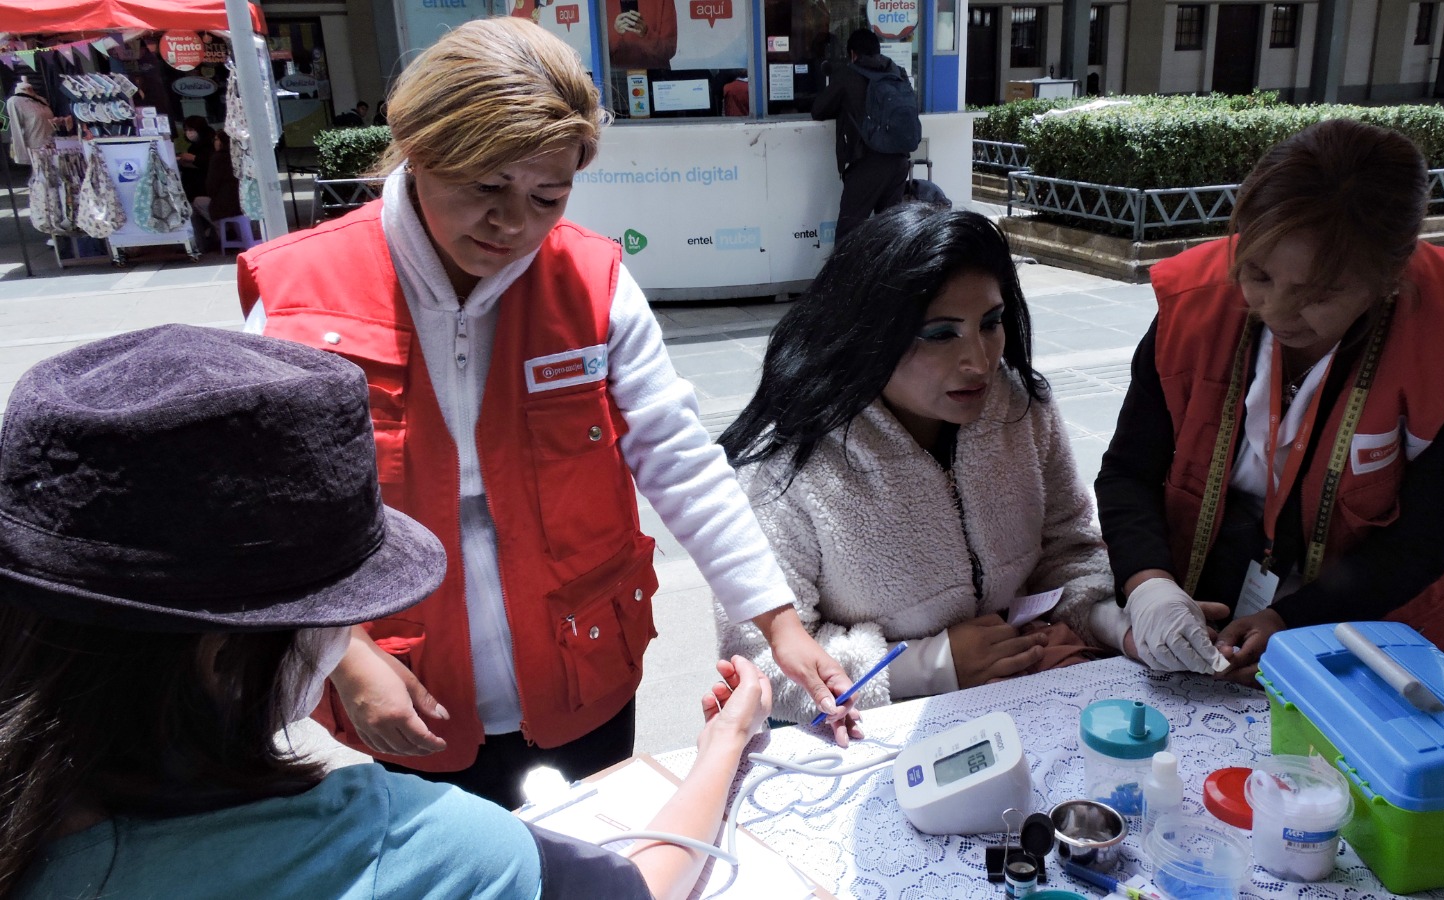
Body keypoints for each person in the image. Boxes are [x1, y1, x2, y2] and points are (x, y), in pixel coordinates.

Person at [236, 17, 856, 809]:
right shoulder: (302, 297)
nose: (513, 225)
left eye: (546, 196)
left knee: (595, 854)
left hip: (582, 668)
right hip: (402, 685)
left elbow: (678, 458)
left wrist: (778, 621)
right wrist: (342, 656)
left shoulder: (590, 283)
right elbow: (269, 517)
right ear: (417, 148)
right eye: (485, 188)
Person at [0, 323, 775, 900]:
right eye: (343, 616)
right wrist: (725, 742)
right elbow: (646, 884)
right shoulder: (403, 845)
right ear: (227, 657)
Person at [1094, 118, 1444, 684]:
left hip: (1366, 614)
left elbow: (1427, 535)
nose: (1277, 311)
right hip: (1201, 584)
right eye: (1258, 273)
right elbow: (1129, 470)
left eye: (1319, 293)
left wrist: (1293, 619)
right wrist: (1149, 587)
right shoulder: (1193, 308)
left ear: (1390, 277)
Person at [717, 206, 1120, 723]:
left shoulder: (1022, 408)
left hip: (1022, 707)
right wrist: (931, 666)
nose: (979, 359)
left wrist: (1111, 620)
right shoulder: (788, 463)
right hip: (867, 740)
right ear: (871, 332)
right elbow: (755, 659)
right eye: (940, 333)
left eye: (991, 323)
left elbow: (1070, 547)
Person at [811, 28, 912, 239]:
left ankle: (844, 274)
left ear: (852, 54)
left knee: (848, 235)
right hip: (900, 161)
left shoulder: (849, 75)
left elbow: (818, 110)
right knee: (889, 235)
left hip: (868, 161)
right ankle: (887, 273)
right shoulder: (898, 72)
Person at [192, 131, 243, 245]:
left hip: (226, 204)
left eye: (216, 139)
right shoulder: (239, 155)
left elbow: (211, 185)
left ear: (222, 142)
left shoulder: (218, 158)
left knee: (197, 202)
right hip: (242, 200)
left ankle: (223, 231)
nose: (214, 142)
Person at [607, 0, 678, 69]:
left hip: (655, 74)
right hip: (614, 76)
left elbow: (669, 50)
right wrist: (616, 34)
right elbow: (598, 55)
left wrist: (646, 34)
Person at [6, 78, 58, 166]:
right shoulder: (14, 102)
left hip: (54, 146)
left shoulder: (41, 100)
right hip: (36, 149)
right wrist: (21, 156)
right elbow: (16, 130)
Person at [176, 115, 215, 201]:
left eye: (191, 130)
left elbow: (209, 164)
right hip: (193, 189)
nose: (188, 133)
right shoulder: (192, 147)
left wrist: (193, 158)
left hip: (204, 189)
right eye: (186, 130)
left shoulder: (211, 145)